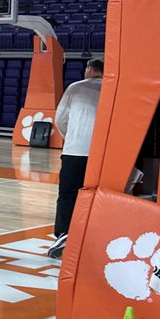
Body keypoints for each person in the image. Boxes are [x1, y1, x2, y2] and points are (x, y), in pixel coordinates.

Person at [49, 58, 104, 258]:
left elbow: (60, 119)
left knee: (67, 194)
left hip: (75, 150)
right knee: (99, 195)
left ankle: (63, 234)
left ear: (89, 70)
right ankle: (95, 236)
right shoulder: (111, 88)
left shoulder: (74, 87)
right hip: (102, 153)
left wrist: (70, 136)